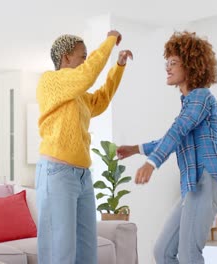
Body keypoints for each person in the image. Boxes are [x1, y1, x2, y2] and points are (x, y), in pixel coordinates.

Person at [116, 31, 217, 264]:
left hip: (208, 181)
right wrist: (136, 148)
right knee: (163, 251)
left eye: (173, 63)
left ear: (191, 65)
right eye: (166, 63)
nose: (167, 68)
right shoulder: (188, 103)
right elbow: (175, 136)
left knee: (189, 254)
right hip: (193, 185)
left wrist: (151, 162)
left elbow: (178, 130)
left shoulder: (201, 97)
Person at [35, 31, 133, 264]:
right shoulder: (50, 81)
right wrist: (109, 42)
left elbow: (100, 100)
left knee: (87, 250)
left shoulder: (76, 95)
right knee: (60, 252)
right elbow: (87, 76)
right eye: (82, 57)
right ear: (66, 58)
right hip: (56, 173)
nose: (85, 62)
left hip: (81, 176)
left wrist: (118, 67)